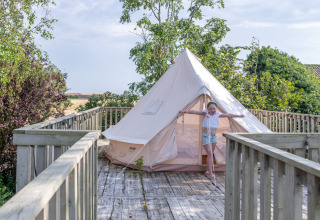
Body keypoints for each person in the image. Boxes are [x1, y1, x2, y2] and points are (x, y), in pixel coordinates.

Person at [179, 101, 244, 180]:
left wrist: (238, 116)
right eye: (210, 109)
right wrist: (185, 111)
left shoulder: (218, 114)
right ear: (207, 109)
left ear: (216, 109)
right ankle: (210, 174)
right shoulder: (205, 114)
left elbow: (228, 115)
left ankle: (207, 171)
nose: (212, 110)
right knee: (209, 152)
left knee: (211, 153)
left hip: (213, 136)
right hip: (206, 135)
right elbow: (195, 112)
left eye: (214, 109)